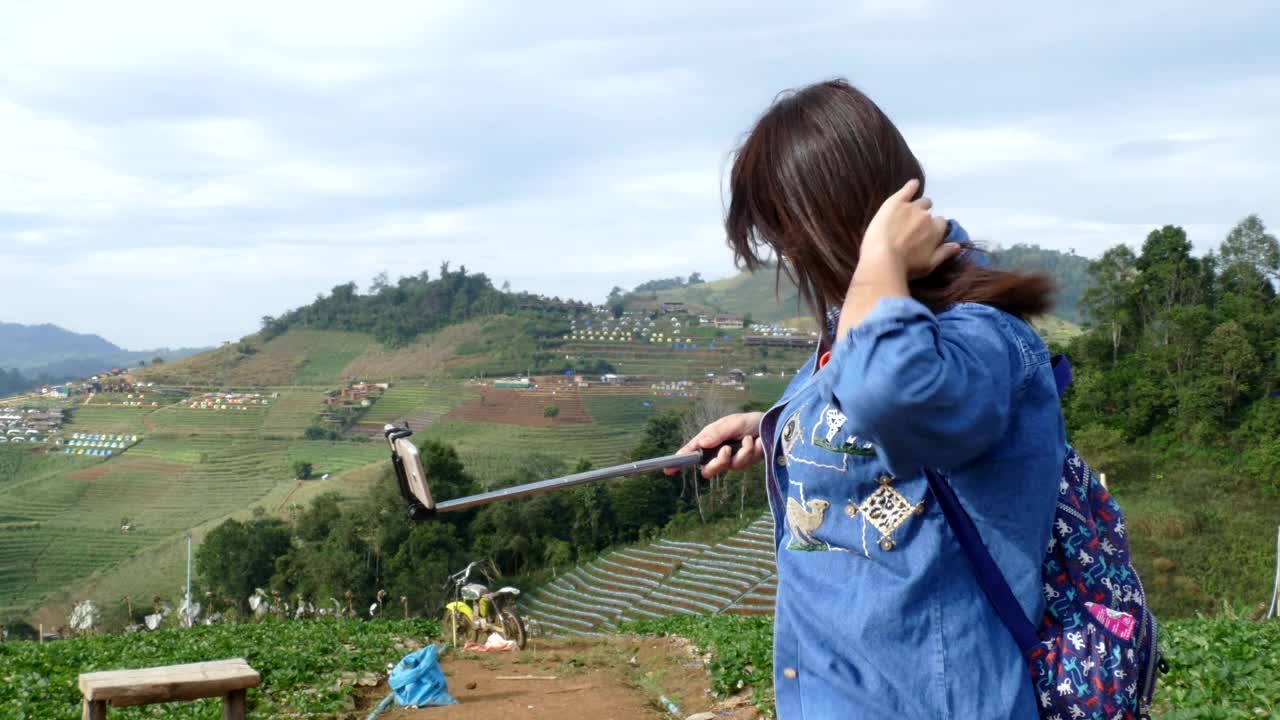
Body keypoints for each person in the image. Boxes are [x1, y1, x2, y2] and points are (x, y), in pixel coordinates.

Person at [669, 79, 1064, 717]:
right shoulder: (860, 328)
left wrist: (879, 256)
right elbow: (854, 410)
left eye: (785, 235)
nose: (787, 256)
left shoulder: (976, 336)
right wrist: (773, 428)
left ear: (836, 218)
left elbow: (887, 391)